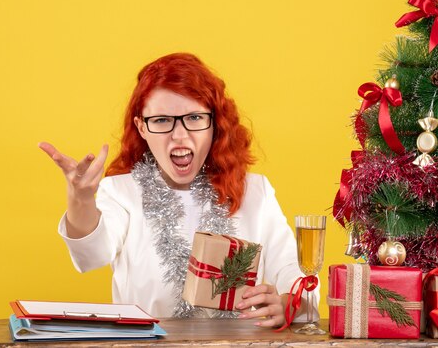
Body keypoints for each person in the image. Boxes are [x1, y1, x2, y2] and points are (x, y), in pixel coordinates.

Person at [39, 52, 318, 327]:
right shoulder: (121, 192)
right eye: (161, 121)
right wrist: (81, 199)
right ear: (142, 128)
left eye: (195, 118)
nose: (180, 135)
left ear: (214, 124)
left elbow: (298, 277)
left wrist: (286, 304)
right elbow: (92, 255)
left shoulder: (256, 192)